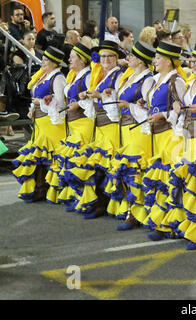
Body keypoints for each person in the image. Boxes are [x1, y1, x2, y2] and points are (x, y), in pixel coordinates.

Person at [146, 43, 196, 245]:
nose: (194, 64)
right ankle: (186, 227)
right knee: (188, 184)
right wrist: (179, 107)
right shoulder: (190, 81)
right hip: (189, 137)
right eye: (192, 61)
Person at [63, 40, 124, 218]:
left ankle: (107, 204)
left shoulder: (117, 76)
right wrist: (85, 97)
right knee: (96, 164)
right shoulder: (100, 76)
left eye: (109, 56)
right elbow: (95, 101)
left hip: (112, 126)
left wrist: (97, 96)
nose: (105, 59)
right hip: (100, 126)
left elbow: (117, 101)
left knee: (107, 165)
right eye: (103, 56)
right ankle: (97, 202)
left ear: (116, 58)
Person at [103, 41, 156, 228]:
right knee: (126, 170)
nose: (128, 59)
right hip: (125, 128)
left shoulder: (147, 80)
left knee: (135, 170)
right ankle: (130, 209)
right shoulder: (129, 77)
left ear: (141, 61)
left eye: (132, 56)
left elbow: (148, 109)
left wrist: (130, 106)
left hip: (138, 128)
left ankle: (137, 212)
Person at [136, 41, 186, 235]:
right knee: (158, 178)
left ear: (169, 61)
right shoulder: (158, 79)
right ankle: (159, 220)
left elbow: (182, 110)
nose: (155, 61)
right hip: (155, 134)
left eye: (158, 58)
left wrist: (164, 115)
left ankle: (169, 223)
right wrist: (144, 103)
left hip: (169, 135)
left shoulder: (176, 81)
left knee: (167, 178)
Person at [12, 46, 67, 202]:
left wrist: (41, 103)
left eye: (46, 60)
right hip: (40, 121)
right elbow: (37, 98)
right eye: (42, 59)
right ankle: (41, 187)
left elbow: (61, 104)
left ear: (54, 62)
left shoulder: (57, 78)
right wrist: (33, 108)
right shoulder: (42, 75)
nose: (42, 62)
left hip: (52, 123)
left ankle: (50, 189)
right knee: (40, 154)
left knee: (49, 154)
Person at [47, 43, 93, 206]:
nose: (69, 59)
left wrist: (79, 104)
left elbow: (92, 98)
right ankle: (76, 196)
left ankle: (85, 199)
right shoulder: (73, 76)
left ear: (81, 60)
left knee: (80, 161)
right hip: (73, 123)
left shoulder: (87, 76)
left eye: (72, 57)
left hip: (84, 123)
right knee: (72, 160)